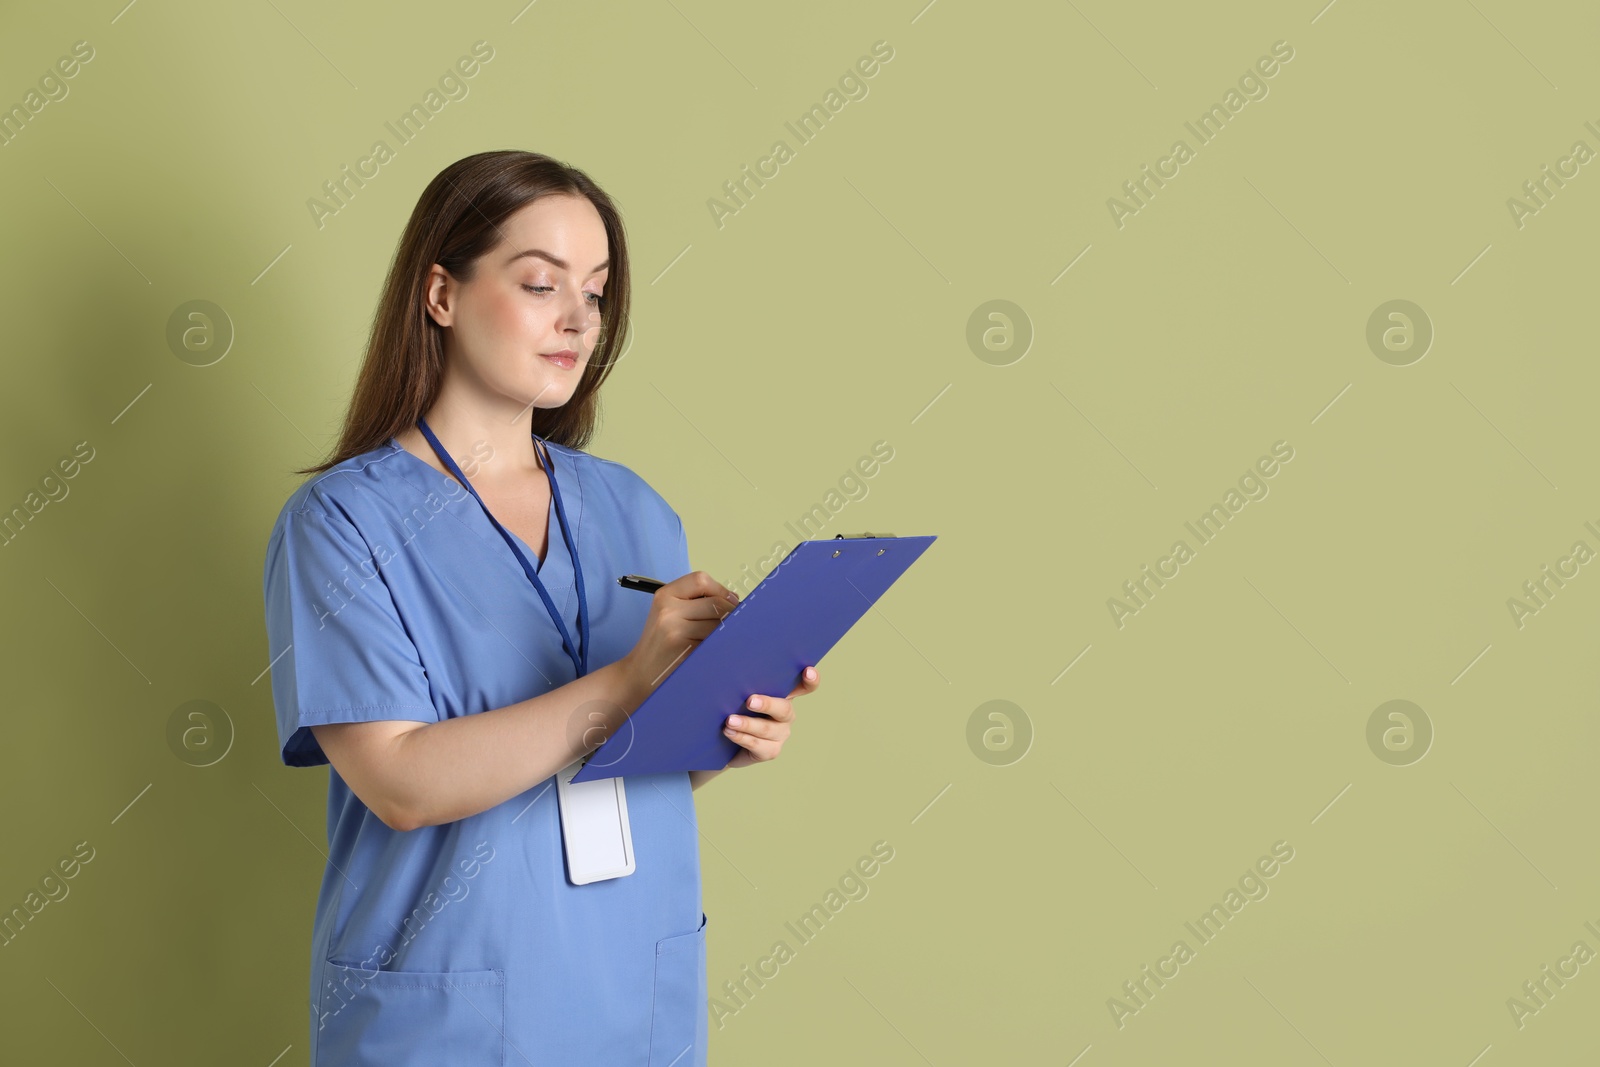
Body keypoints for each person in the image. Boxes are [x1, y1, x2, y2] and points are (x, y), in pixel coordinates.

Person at [261, 149, 820, 1066]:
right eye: (539, 283)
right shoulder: (341, 523)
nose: (577, 319)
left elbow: (635, 768)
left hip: (630, 986)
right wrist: (630, 679)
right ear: (440, 295)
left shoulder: (635, 508)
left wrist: (727, 722)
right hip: (447, 1005)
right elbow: (400, 783)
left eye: (596, 293)